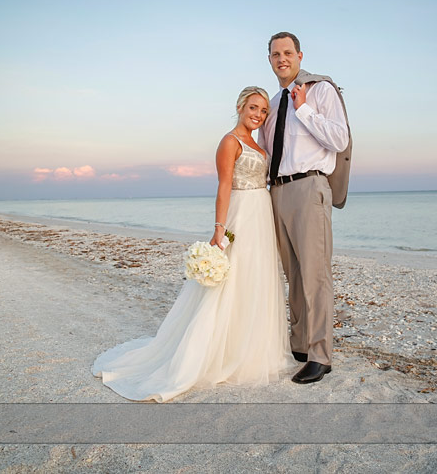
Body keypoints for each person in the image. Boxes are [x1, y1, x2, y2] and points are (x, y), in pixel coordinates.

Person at [92, 86, 295, 401]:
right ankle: (217, 351)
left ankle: (254, 348)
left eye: (263, 110)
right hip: (241, 215)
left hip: (262, 215)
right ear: (240, 107)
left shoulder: (259, 142)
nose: (258, 114)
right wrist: (219, 228)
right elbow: (224, 184)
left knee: (257, 279)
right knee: (231, 281)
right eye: (253, 108)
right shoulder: (229, 142)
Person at [258, 31, 352, 384]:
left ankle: (320, 354)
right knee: (293, 274)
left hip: (310, 185)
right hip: (277, 191)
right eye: (275, 54)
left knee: (315, 275)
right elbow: (269, 151)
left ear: (299, 55)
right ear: (269, 60)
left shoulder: (320, 90)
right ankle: (299, 344)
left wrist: (304, 109)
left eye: (287, 52)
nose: (282, 58)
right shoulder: (272, 101)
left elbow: (339, 139)